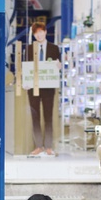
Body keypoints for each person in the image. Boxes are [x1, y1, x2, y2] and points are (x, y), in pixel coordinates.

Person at [26, 22, 60, 157]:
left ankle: (49, 146)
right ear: (34, 35)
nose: (39, 35)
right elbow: (27, 67)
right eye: (36, 33)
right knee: (35, 116)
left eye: (41, 32)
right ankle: (38, 146)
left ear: (45, 32)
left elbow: (58, 65)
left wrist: (59, 65)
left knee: (48, 116)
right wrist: (26, 82)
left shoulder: (54, 48)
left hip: (48, 87)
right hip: (33, 87)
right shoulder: (29, 49)